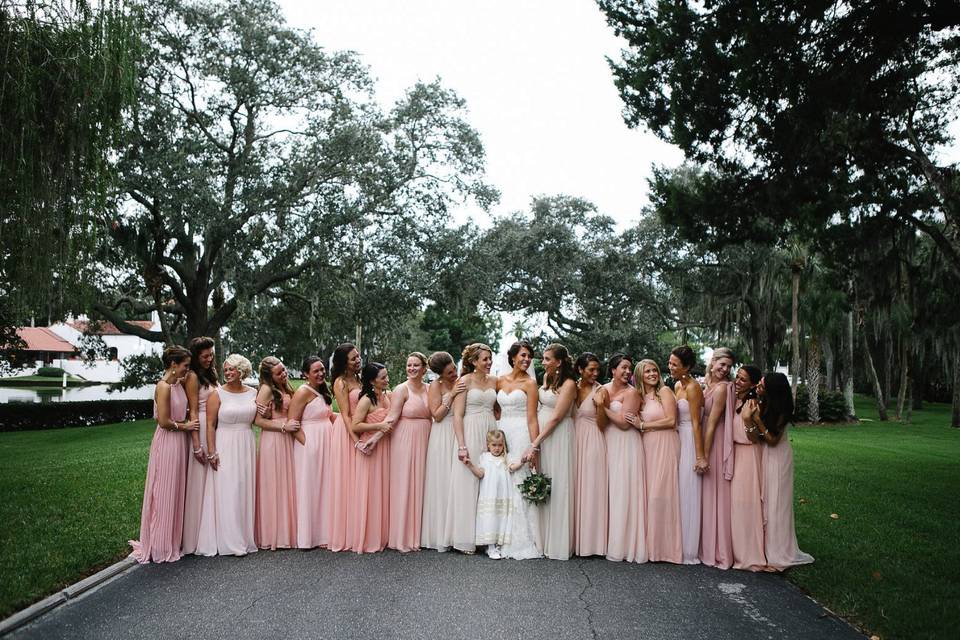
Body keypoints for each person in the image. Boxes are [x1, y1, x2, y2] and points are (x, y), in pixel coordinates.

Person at [130, 345, 199, 563]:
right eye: (185, 366)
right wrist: (186, 427)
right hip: (168, 442)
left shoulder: (178, 384)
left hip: (180, 443)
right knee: (163, 492)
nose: (187, 370)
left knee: (176, 491)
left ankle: (172, 540)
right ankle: (159, 545)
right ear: (173, 364)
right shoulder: (163, 387)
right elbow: (164, 421)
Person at [746, 371, 814, 571]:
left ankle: (778, 554)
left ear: (771, 389)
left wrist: (757, 420)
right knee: (765, 500)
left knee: (776, 502)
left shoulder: (783, 410)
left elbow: (773, 440)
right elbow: (759, 437)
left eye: (762, 383)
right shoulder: (764, 403)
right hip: (765, 455)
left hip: (778, 457)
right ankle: (764, 549)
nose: (758, 385)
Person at [198, 354, 264, 556]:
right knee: (228, 488)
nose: (227, 373)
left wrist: (267, 411)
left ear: (241, 371)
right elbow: (210, 425)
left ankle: (244, 537)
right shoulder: (217, 394)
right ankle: (230, 541)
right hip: (224, 442)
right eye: (225, 370)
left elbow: (260, 418)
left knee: (244, 488)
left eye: (231, 369)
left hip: (246, 442)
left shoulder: (253, 392)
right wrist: (212, 452)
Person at [444, 343, 497, 554]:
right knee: (469, 483)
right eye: (484, 359)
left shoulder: (495, 381)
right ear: (473, 362)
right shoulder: (464, 381)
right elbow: (457, 415)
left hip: (490, 430)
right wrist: (462, 445)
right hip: (471, 430)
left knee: (489, 483)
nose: (489, 362)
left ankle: (487, 536)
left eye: (490, 358)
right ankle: (464, 537)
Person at [491, 340, 542, 559]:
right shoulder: (499, 381)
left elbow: (532, 419)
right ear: (512, 358)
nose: (526, 359)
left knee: (518, 479)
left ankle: (521, 537)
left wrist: (534, 446)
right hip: (502, 432)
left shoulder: (531, 384)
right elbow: (495, 408)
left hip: (521, 431)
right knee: (501, 479)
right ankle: (497, 534)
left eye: (529, 356)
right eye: (522, 355)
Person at [527, 343, 577, 560]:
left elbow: (556, 417)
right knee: (544, 482)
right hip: (543, 434)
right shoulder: (547, 379)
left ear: (559, 362)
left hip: (557, 436)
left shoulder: (569, 384)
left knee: (559, 484)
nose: (543, 362)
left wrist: (535, 442)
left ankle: (558, 542)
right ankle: (542, 537)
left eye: (547, 359)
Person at [381, 352, 432, 552]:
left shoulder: (430, 389)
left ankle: (421, 534)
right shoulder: (401, 389)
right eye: (409, 365)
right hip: (404, 438)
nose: (411, 368)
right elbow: (391, 418)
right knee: (405, 484)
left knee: (422, 484)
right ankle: (401, 535)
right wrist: (375, 437)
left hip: (426, 437)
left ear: (424, 368)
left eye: (416, 365)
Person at [631, 358, 681, 564]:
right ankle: (649, 546)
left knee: (662, 494)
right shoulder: (641, 397)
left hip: (665, 444)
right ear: (640, 376)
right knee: (648, 494)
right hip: (647, 446)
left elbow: (671, 421)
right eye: (647, 371)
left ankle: (666, 549)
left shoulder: (665, 392)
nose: (652, 374)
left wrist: (642, 425)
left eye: (654, 370)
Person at [287, 355, 335, 549]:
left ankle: (325, 533)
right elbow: (292, 423)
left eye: (322, 369)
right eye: (316, 371)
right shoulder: (302, 392)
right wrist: (307, 444)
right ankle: (308, 536)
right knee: (310, 487)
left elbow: (329, 415)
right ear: (306, 374)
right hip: (310, 445)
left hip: (327, 442)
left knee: (326, 487)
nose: (321, 373)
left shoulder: (323, 390)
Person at [603, 353, 646, 563]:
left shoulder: (632, 393)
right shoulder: (603, 388)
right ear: (613, 370)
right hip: (608, 441)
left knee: (622, 490)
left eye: (630, 368)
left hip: (626, 442)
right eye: (624, 367)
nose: (628, 372)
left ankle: (622, 543)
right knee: (609, 489)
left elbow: (623, 423)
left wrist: (602, 407)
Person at [420, 351, 466, 551]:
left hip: (459, 432)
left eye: (454, 368)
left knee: (458, 482)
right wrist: (452, 394)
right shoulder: (435, 387)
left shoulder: (462, 380)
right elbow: (437, 415)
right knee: (442, 482)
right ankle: (440, 534)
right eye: (449, 372)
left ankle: (458, 532)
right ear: (440, 374)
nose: (454, 374)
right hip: (441, 435)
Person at [463, 430, 529, 559]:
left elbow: (512, 467)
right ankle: (491, 546)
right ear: (488, 445)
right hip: (489, 494)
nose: (497, 448)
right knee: (490, 517)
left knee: (501, 517)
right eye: (494, 445)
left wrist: (522, 461)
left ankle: (498, 544)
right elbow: (481, 474)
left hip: (503, 494)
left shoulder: (506, 457)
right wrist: (470, 465)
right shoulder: (485, 457)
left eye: (500, 445)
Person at [348, 362, 393, 553]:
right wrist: (378, 426)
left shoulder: (386, 396)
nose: (387, 379)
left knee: (382, 490)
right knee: (369, 491)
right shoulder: (366, 399)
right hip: (370, 449)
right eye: (383, 377)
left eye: (386, 376)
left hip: (385, 447)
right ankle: (367, 537)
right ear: (372, 380)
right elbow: (355, 425)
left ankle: (382, 535)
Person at [254, 356, 298, 550]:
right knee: (275, 484)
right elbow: (259, 421)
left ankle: (290, 530)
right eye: (279, 372)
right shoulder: (266, 390)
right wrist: (283, 426)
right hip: (274, 440)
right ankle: (275, 533)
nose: (284, 373)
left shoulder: (286, 386)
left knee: (288, 484)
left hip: (288, 439)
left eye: (284, 369)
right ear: (268, 376)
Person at [668, 345, 705, 565]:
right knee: (677, 489)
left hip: (690, 438)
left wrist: (700, 456)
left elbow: (696, 423)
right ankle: (675, 540)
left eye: (675, 364)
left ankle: (688, 547)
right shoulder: (676, 385)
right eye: (670, 363)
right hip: (677, 438)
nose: (670, 367)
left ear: (687, 367)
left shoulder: (693, 388)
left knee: (687, 489)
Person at [182, 336, 218, 555]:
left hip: (215, 428)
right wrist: (196, 445)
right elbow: (193, 411)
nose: (209, 358)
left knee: (212, 482)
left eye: (211, 354)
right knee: (199, 482)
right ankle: (195, 535)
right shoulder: (193, 377)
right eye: (205, 356)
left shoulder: (211, 374)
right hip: (202, 428)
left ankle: (212, 529)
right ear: (196, 357)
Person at [700, 347, 735, 568]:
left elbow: (712, 424)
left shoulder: (722, 389)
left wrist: (703, 454)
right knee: (706, 492)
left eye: (729, 367)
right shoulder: (707, 385)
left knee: (715, 492)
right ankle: (706, 543)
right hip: (705, 436)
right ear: (713, 362)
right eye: (722, 364)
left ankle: (718, 548)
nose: (725, 370)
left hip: (714, 441)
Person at [729, 365, 767, 571]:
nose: (737, 381)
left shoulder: (753, 404)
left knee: (745, 503)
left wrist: (746, 420)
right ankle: (734, 549)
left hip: (749, 454)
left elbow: (755, 439)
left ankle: (749, 553)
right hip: (734, 453)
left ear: (753, 384)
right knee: (734, 505)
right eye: (737, 377)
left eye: (743, 379)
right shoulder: (732, 400)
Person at [327, 343, 362, 552]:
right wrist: (355, 439)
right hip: (347, 432)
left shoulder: (359, 379)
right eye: (353, 358)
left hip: (360, 428)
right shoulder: (340, 383)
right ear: (343, 363)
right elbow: (346, 414)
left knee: (359, 479)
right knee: (347, 479)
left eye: (358, 356)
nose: (357, 360)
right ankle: (347, 531)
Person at [573, 352, 608, 558]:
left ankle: (591, 542)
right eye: (590, 369)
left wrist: (600, 406)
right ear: (580, 370)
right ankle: (573, 539)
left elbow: (603, 424)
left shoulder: (601, 390)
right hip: (572, 439)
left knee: (591, 488)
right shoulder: (571, 387)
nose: (595, 373)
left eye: (597, 369)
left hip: (593, 439)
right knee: (575, 487)